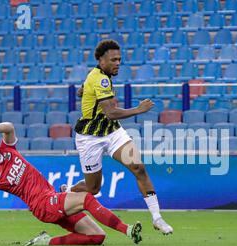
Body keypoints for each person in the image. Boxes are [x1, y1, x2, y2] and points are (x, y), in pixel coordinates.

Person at [0, 122, 142, 246]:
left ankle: (45, 241)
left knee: (97, 237)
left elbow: (9, 127)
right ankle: (128, 230)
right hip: (42, 205)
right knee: (86, 198)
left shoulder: (7, 149)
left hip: (51, 199)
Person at [66, 39, 173, 235]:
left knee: (139, 168)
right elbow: (111, 113)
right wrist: (139, 109)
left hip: (112, 132)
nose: (117, 63)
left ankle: (157, 218)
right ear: (101, 60)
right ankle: (67, 193)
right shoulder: (101, 79)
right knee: (93, 188)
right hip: (90, 137)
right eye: (113, 59)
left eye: (119, 59)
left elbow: (82, 91)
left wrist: (85, 90)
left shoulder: (96, 75)